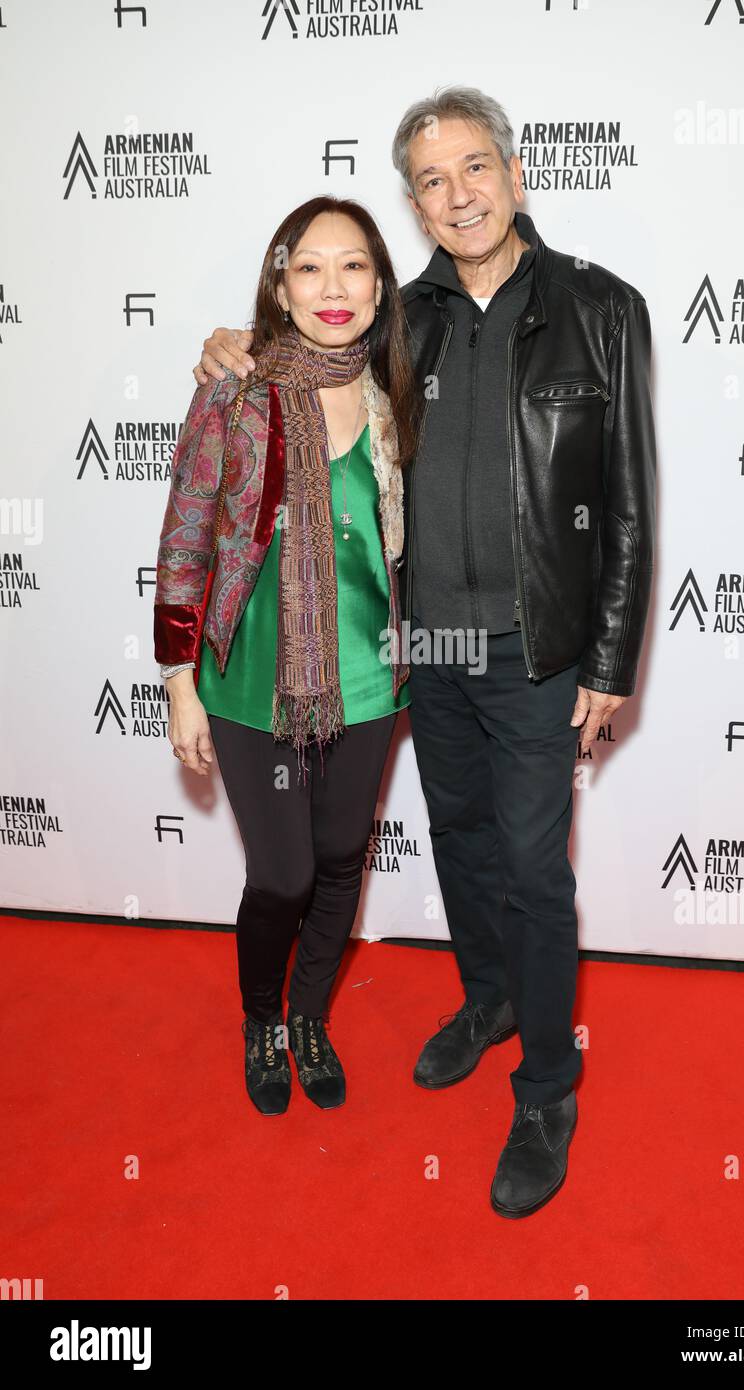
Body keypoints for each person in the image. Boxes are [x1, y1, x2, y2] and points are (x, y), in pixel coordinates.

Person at [194, 86, 657, 1217]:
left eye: (473, 168)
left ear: (512, 169)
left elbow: (630, 504)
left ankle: (547, 1085)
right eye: (431, 181)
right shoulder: (411, 317)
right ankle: (488, 996)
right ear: (414, 202)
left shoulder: (602, 308)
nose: (457, 195)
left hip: (541, 650)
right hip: (424, 649)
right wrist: (231, 346)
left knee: (536, 870)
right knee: (457, 838)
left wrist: (608, 662)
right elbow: (311, 349)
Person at [154, 196, 418, 1118]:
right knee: (285, 876)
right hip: (250, 680)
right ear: (281, 282)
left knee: (344, 858)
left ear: (381, 285)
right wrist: (180, 680)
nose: (333, 287)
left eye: (353, 266)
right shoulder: (235, 387)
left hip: (371, 676)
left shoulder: (399, 394)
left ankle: (310, 1018)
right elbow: (186, 536)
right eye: (310, 267)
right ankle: (261, 1019)